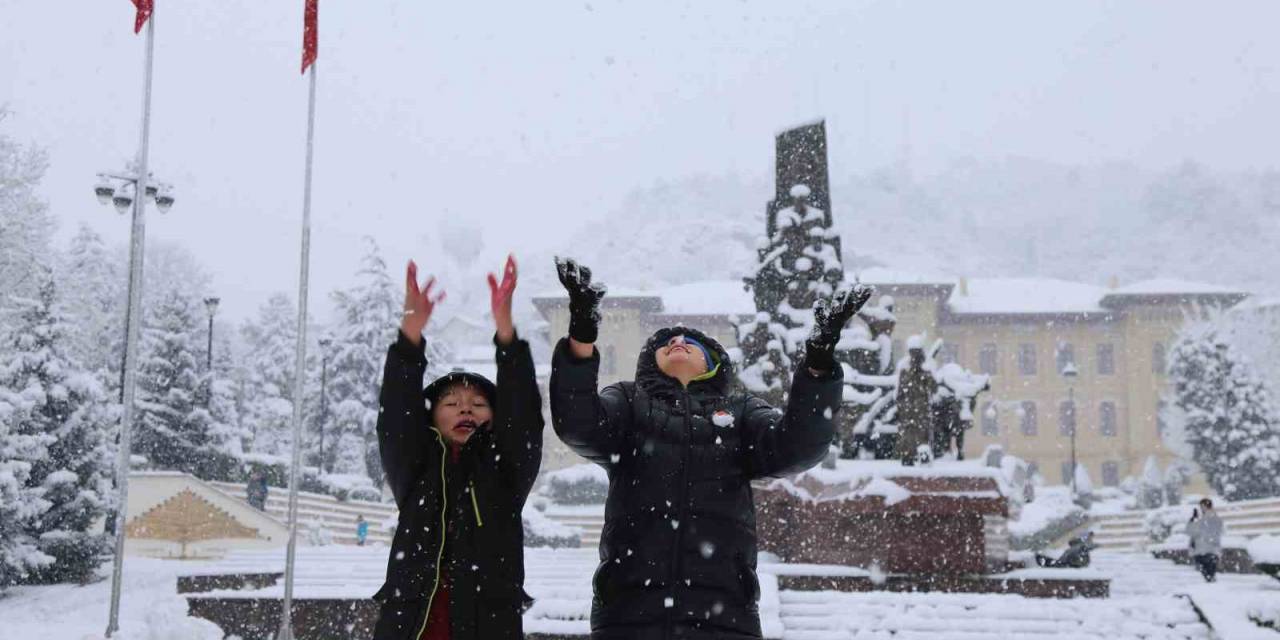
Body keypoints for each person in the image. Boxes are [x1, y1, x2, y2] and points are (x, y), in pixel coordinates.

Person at [549, 257, 872, 640]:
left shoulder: (741, 411)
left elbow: (801, 447)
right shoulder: (629, 401)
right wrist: (582, 334)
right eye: (667, 342)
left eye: (691, 342)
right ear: (651, 363)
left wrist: (819, 361)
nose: (677, 342)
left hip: (724, 612)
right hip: (629, 610)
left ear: (714, 363)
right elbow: (577, 424)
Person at [371, 256, 543, 640]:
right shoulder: (415, 469)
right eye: (451, 403)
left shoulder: (507, 470)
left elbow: (524, 418)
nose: (465, 407)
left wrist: (506, 335)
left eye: (479, 404)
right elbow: (397, 417)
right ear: (431, 419)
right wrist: (410, 336)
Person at [895, 343, 936, 466]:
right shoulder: (905, 373)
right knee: (908, 435)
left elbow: (934, 388)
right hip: (909, 412)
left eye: (918, 357)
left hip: (921, 411)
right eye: (914, 356)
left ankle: (922, 456)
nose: (916, 360)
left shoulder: (926, 374)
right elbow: (900, 393)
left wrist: (926, 378)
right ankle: (908, 456)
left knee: (922, 434)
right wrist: (902, 407)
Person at [1187, 498, 1224, 582]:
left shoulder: (1214, 518)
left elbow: (1215, 533)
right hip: (1200, 551)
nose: (1201, 508)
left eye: (1202, 506)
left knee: (1209, 574)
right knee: (1205, 574)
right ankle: (1210, 586)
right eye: (1200, 506)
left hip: (1211, 550)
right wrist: (1192, 520)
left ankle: (1212, 587)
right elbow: (1190, 532)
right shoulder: (1199, 518)